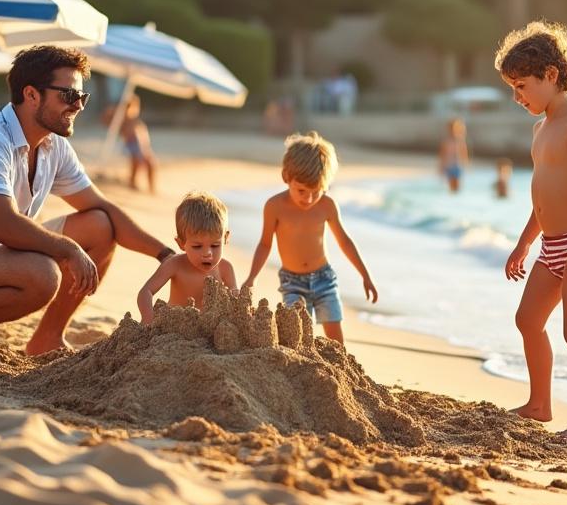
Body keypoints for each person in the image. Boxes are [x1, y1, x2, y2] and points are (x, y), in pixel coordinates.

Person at [0, 46, 175, 354]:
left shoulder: (53, 145)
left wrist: (165, 255)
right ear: (32, 94)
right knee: (43, 273)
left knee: (100, 225)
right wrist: (69, 249)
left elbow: (103, 208)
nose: (78, 106)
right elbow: (4, 225)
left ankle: (46, 338)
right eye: (68, 96)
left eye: (82, 97)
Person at [497, 21, 567, 442]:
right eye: (512, 88)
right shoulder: (540, 129)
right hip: (551, 244)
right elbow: (541, 196)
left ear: (551, 75)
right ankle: (540, 404)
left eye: (522, 85)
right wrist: (524, 243)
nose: (517, 96)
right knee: (528, 319)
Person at [240, 132, 378, 345]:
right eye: (302, 190)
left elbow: (345, 241)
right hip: (292, 282)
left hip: (324, 279)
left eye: (317, 191)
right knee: (297, 335)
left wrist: (365, 276)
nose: (309, 198)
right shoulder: (275, 206)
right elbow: (265, 244)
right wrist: (252, 277)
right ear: (287, 177)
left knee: (335, 337)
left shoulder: (327, 206)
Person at [136, 191, 238, 324]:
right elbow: (146, 292)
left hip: (208, 329)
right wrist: (148, 317)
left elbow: (237, 300)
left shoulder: (225, 268)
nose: (207, 253)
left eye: (215, 245)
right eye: (197, 246)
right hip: (175, 327)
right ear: (181, 244)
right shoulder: (174, 265)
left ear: (225, 239)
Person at [120, 95, 157, 194]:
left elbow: (142, 136)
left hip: (141, 146)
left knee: (151, 164)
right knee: (136, 162)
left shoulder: (136, 121)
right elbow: (127, 134)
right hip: (133, 146)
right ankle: (132, 182)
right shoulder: (126, 120)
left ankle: (151, 186)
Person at [438, 118, 469, 193]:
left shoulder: (461, 141)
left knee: (457, 184)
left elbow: (464, 153)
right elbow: (442, 154)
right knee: (450, 185)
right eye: (451, 129)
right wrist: (441, 166)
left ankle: (456, 195)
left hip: (458, 165)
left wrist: (466, 164)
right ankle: (452, 194)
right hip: (449, 165)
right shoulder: (446, 141)